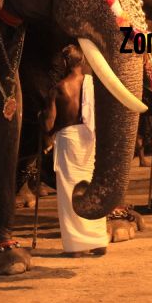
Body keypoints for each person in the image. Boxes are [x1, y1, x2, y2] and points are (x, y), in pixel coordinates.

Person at [45, 45, 108, 257]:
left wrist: (44, 126)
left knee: (68, 189)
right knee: (92, 184)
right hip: (89, 137)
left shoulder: (59, 87)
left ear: (65, 62)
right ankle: (98, 240)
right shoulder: (93, 84)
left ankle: (75, 245)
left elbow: (49, 122)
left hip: (68, 138)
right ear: (81, 61)